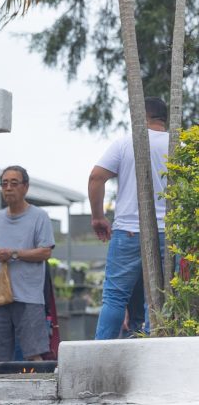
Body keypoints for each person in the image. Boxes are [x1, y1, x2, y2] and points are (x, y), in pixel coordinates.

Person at [89, 97, 169, 340]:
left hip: (128, 232)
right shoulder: (181, 144)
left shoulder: (126, 142)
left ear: (142, 116)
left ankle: (100, 355)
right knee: (155, 298)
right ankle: (151, 353)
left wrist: (98, 217)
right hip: (168, 233)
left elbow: (96, 178)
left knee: (114, 298)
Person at [0, 165, 55, 362]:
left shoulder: (39, 216)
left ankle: (40, 390)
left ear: (25, 187)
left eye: (14, 183)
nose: (8, 188)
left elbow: (45, 252)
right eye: (4, 184)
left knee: (34, 355)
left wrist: (14, 254)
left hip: (29, 297)